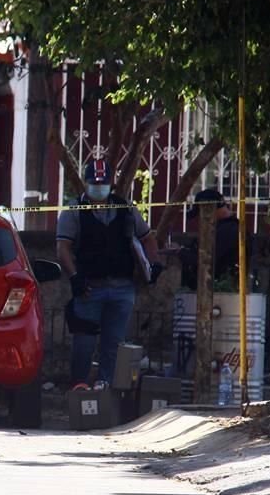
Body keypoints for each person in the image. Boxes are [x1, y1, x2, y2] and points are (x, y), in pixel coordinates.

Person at [56, 158, 158, 391]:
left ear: (111, 184)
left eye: (103, 183)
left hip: (123, 288)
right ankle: (79, 390)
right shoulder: (74, 211)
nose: (98, 187)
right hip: (89, 287)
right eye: (94, 183)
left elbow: (147, 237)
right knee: (84, 343)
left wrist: (155, 264)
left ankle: (105, 391)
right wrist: (74, 277)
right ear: (86, 183)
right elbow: (63, 248)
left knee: (113, 344)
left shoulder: (126, 208)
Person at [179, 188, 241, 290]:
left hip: (219, 290)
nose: (200, 218)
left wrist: (181, 253)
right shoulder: (227, 228)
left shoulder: (228, 231)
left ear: (210, 209)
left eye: (201, 212)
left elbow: (206, 258)